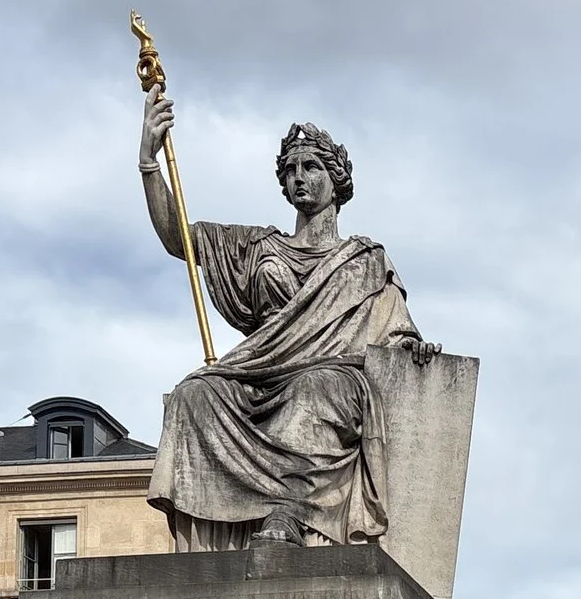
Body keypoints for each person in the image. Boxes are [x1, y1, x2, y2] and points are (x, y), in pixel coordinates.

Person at [138, 87, 440, 550]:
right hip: (259, 370)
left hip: (332, 375)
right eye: (291, 170)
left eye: (311, 167)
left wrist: (411, 346)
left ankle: (288, 513)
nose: (299, 177)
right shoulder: (258, 245)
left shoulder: (362, 260)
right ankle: (204, 546)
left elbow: (393, 330)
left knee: (312, 391)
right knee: (194, 394)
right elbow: (178, 238)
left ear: (336, 180)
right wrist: (149, 162)